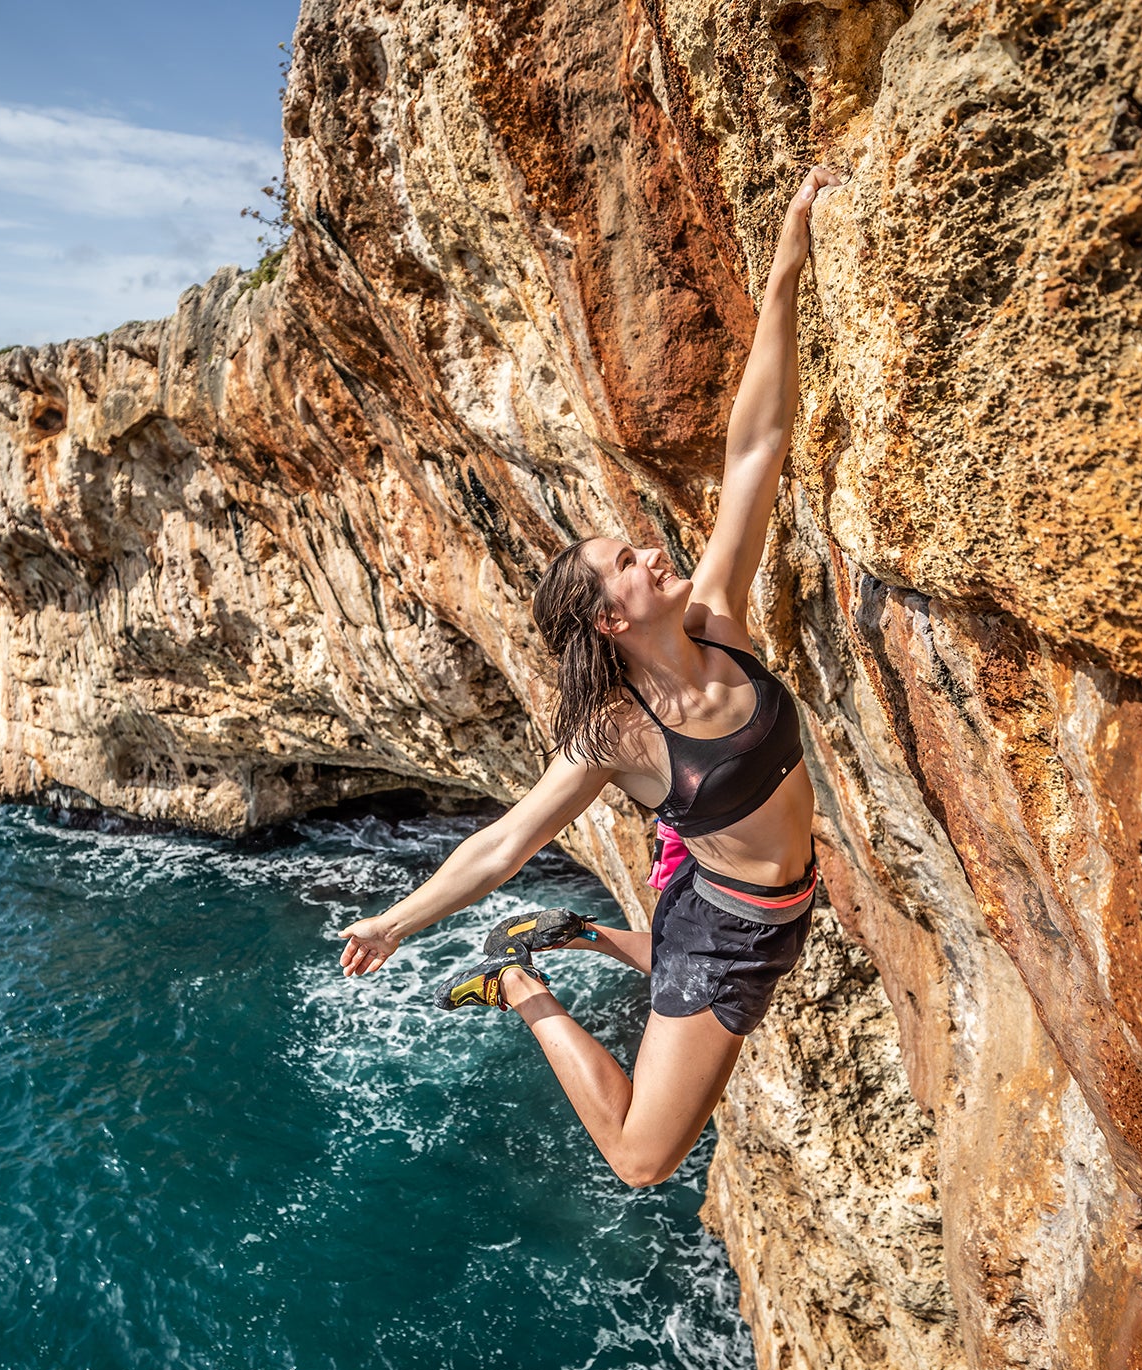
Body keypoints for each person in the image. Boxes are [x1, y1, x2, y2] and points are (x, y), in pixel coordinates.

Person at [336, 165, 843, 1188]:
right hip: (730, 932)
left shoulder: (721, 618)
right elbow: (502, 841)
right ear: (612, 619)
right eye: (630, 562)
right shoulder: (619, 737)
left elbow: (755, 450)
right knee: (641, 1160)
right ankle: (520, 979)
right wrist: (395, 921)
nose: (656, 553)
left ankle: (578, 932)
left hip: (765, 903)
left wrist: (785, 268)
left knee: (680, 966)